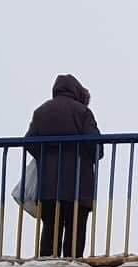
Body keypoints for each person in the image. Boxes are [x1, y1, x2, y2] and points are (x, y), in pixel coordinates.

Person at [26, 74, 103, 257]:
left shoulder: (41, 112)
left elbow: (29, 142)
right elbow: (96, 146)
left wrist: (45, 156)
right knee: (76, 232)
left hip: (48, 186)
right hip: (78, 184)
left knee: (50, 228)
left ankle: (47, 266)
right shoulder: (82, 112)